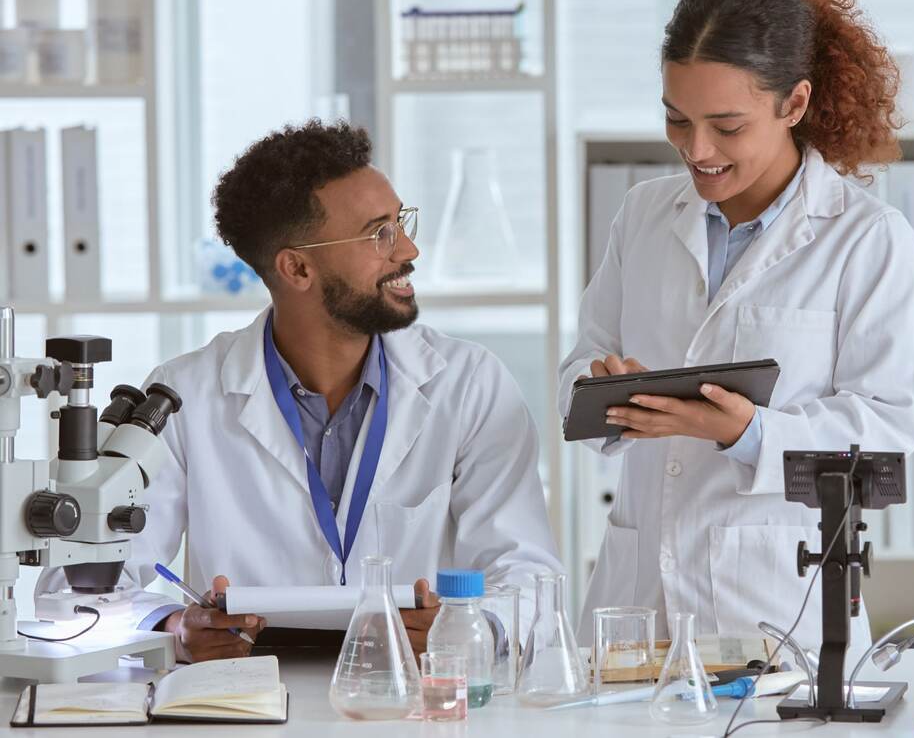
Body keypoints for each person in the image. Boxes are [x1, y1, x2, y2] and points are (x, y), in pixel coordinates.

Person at [49, 120, 562, 662]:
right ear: (297, 268)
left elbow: (531, 582)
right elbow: (70, 592)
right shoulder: (179, 397)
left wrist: (466, 628)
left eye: (401, 221)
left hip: (414, 705)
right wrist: (172, 625)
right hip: (242, 706)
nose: (408, 248)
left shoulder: (469, 382)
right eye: (378, 233)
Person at [559, 0, 914, 654]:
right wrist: (601, 385)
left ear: (794, 102)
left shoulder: (868, 240)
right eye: (677, 118)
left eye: (726, 126)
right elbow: (579, 364)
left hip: (771, 608)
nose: (696, 150)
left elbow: (887, 431)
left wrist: (749, 432)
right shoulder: (643, 213)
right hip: (634, 602)